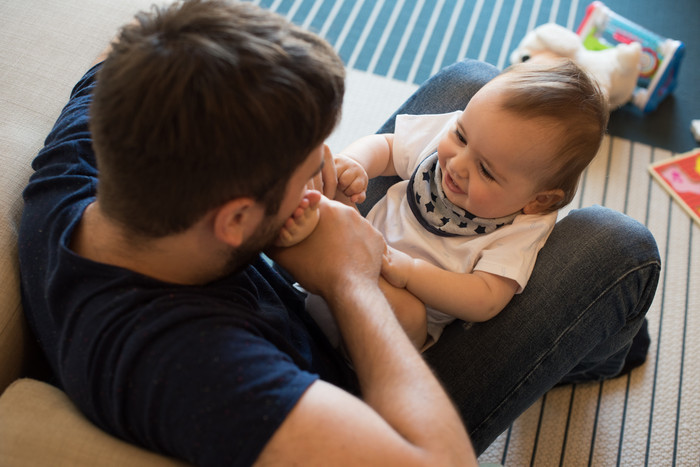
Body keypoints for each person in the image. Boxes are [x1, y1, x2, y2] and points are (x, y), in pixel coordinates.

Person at [17, 1, 660, 465]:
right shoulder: (198, 367)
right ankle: (604, 354)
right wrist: (351, 281)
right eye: (308, 171)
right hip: (368, 379)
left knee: (471, 81)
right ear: (236, 220)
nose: (323, 172)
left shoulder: (76, 170)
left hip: (295, 279)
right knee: (615, 248)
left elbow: (124, 51)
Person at [293, 59, 610, 349]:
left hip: (394, 325)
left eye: (485, 170)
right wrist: (354, 162)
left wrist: (410, 272)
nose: (457, 164)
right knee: (326, 194)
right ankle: (310, 264)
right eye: (460, 136)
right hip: (353, 245)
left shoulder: (524, 227)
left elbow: (485, 298)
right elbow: (389, 147)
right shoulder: (471, 137)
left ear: (537, 200)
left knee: (408, 312)